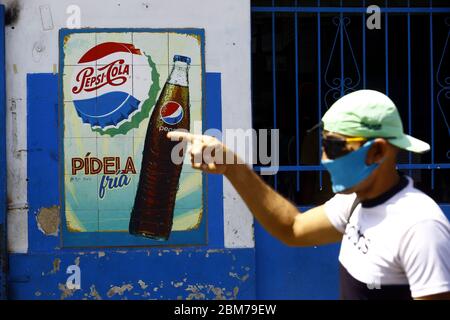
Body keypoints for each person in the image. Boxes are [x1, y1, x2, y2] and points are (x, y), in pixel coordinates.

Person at [167, 89, 450, 300]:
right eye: (323, 145)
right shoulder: (354, 203)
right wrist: (233, 168)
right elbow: (293, 228)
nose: (325, 158)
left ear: (377, 151)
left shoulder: (419, 227)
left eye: (336, 147)